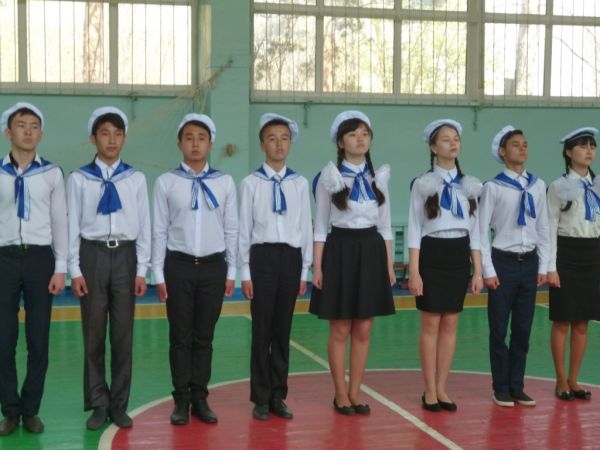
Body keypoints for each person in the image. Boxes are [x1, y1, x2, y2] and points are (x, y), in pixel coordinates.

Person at [67, 106, 151, 429]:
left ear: (124, 139)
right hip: (92, 256)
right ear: (93, 139)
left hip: (126, 257)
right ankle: (98, 403)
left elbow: (144, 225)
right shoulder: (79, 179)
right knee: (93, 334)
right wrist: (74, 269)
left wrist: (142, 269)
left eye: (118, 134)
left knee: (122, 335)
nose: (112, 140)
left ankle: (118, 404)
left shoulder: (135, 179)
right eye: (105, 133)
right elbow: (72, 225)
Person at [152, 113, 238, 425]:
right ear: (180, 144)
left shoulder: (225, 182)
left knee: (204, 336)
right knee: (180, 336)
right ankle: (181, 398)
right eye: (189, 138)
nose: (195, 144)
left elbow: (232, 228)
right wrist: (157, 274)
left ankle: (200, 397)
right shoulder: (166, 182)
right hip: (179, 267)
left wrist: (232, 272)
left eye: (201, 138)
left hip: (214, 268)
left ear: (210, 144)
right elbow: (159, 230)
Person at [310, 110, 395, 416]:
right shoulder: (329, 178)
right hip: (340, 251)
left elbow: (385, 227)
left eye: (365, 134)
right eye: (352, 135)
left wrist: (388, 266)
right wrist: (317, 266)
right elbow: (320, 226)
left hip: (371, 250)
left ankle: (356, 391)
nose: (360, 140)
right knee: (340, 328)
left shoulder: (378, 178)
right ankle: (340, 393)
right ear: (340, 142)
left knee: (364, 328)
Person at [238, 113, 312, 421]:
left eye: (284, 139)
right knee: (262, 330)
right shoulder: (251, 183)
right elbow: (244, 229)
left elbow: (305, 227)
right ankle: (260, 397)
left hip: (290, 258)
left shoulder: (299, 183)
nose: (279, 144)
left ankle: (278, 395)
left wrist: (305, 270)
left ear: (290, 144)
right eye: (272, 139)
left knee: (283, 330)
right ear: (262, 145)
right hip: (262, 257)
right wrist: (245, 271)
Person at [0, 102, 67, 436]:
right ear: (8, 132)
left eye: (34, 126)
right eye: (21, 125)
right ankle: (10, 411)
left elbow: (60, 221)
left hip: (41, 260)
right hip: (4, 259)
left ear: (40, 134)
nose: (28, 131)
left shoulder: (52, 174)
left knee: (38, 340)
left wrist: (61, 267)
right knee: (3, 340)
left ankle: (31, 410)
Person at [407, 119, 483, 412]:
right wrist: (414, 271)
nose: (453, 143)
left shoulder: (470, 185)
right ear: (433, 147)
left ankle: (441, 387)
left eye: (456, 139)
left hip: (458, 254)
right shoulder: (423, 184)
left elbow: (475, 232)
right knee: (430, 324)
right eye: (446, 139)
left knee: (451, 323)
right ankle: (428, 389)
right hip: (432, 253)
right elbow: (415, 228)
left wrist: (477, 270)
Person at [479, 125, 550, 407]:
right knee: (498, 328)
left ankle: (517, 385)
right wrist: (488, 270)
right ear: (502, 151)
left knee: (523, 328)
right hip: (503, 262)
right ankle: (501, 387)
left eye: (525, 144)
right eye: (515, 144)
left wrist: (543, 265)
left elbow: (543, 227)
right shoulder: (493, 187)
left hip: (529, 262)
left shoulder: (537, 185)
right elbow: (481, 231)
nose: (522, 148)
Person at [546, 127, 600, 401]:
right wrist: (551, 267)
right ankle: (560, 380)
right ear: (568, 152)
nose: (589, 150)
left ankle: (574, 379)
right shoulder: (558, 186)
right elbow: (550, 227)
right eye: (582, 146)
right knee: (562, 320)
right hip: (566, 254)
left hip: (593, 254)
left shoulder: (598, 184)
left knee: (583, 322)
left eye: (592, 146)